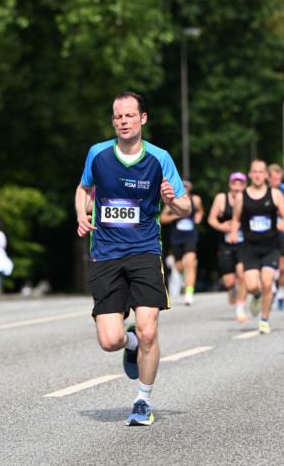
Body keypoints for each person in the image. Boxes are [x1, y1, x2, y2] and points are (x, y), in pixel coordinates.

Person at [75, 91, 189, 426]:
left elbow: (186, 207)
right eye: (117, 117)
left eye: (129, 115)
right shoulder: (97, 154)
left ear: (143, 118)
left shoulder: (159, 158)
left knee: (150, 330)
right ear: (113, 121)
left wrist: (172, 200)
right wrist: (82, 213)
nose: (123, 121)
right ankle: (130, 342)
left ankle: (142, 400)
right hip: (106, 253)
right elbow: (83, 189)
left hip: (144, 252)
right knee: (110, 340)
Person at [228, 159, 284, 334]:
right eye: (254, 171)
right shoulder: (242, 196)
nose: (257, 175)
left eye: (261, 172)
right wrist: (233, 232)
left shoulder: (275, 194)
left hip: (270, 246)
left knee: (268, 283)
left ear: (266, 175)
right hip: (249, 247)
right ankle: (256, 295)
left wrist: (283, 223)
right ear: (250, 174)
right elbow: (236, 219)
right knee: (252, 285)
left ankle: (264, 319)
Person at [207, 172, 248, 322]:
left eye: (240, 183)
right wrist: (223, 227)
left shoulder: (248, 198)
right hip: (226, 245)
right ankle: (232, 290)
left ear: (244, 185)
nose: (237, 185)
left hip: (244, 244)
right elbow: (211, 219)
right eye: (234, 182)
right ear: (230, 184)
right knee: (229, 281)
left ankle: (240, 309)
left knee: (242, 274)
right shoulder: (221, 198)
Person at [160, 180, 203, 305]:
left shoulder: (195, 200)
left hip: (190, 237)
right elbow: (163, 218)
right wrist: (176, 215)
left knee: (190, 261)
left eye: (187, 186)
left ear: (191, 187)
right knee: (179, 266)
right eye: (182, 185)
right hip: (176, 238)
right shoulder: (173, 200)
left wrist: (199, 217)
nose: (185, 188)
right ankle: (186, 280)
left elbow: (200, 210)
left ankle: (189, 293)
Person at [268, 164, 284, 311]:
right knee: (268, 266)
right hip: (266, 234)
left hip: (283, 232)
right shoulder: (263, 191)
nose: (275, 179)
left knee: (282, 267)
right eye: (272, 177)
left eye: (278, 177)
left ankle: (280, 294)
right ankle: (271, 291)